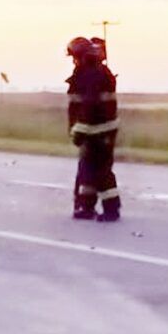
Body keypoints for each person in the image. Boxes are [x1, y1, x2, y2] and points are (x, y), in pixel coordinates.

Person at [67, 37, 121, 222]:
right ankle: (86, 207)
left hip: (98, 132)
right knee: (87, 170)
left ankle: (111, 210)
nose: (74, 61)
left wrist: (78, 132)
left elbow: (88, 107)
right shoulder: (94, 72)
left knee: (101, 171)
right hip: (96, 131)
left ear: (82, 56)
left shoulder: (90, 75)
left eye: (75, 57)